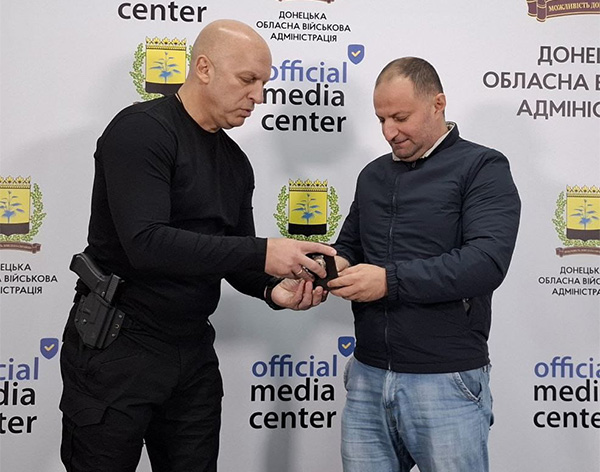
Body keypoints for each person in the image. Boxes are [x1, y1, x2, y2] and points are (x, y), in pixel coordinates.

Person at [59, 19, 335, 472]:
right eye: (248, 80)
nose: (259, 96)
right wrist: (263, 252)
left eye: (264, 83)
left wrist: (273, 289)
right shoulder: (141, 131)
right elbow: (146, 243)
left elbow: (238, 259)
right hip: (118, 345)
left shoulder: (235, 162)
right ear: (204, 68)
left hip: (192, 350)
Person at [328, 57, 521, 472]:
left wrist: (389, 281)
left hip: (446, 380)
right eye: (381, 119)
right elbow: (351, 247)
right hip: (366, 374)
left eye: (400, 118)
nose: (389, 132)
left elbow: (486, 262)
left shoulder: (482, 167)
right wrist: (327, 266)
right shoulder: (372, 175)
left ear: (438, 104)